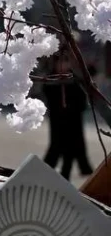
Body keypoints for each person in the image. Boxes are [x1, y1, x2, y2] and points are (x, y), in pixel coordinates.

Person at [43, 53, 94, 181]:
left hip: (74, 121)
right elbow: (49, 96)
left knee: (70, 150)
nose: (63, 66)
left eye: (66, 62)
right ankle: (44, 172)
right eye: (60, 62)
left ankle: (65, 176)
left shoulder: (75, 79)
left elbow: (82, 98)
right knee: (55, 148)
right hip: (58, 121)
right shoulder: (51, 80)